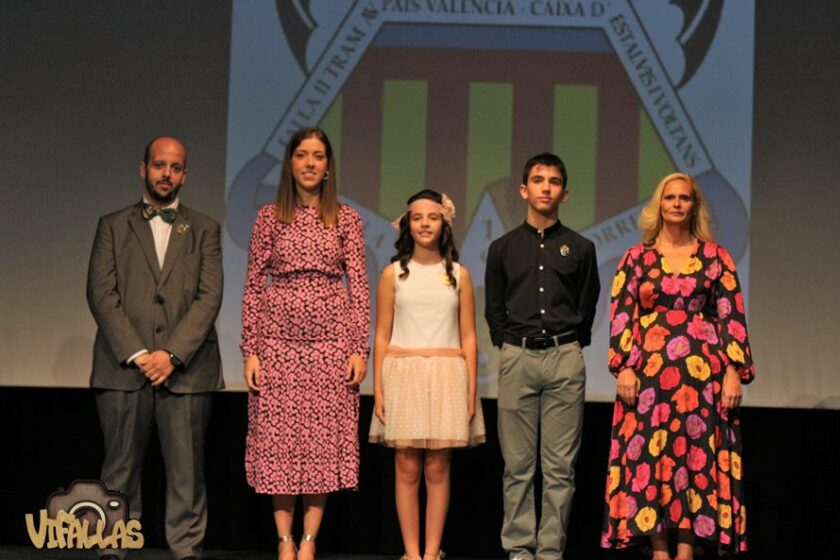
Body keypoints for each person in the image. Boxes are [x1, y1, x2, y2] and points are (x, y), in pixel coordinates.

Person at [600, 172, 755, 558]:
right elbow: (621, 313)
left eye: (684, 198)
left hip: (704, 380)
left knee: (695, 456)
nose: (677, 203)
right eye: (670, 197)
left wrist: (734, 371)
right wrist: (625, 366)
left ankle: (686, 547)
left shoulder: (716, 257)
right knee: (653, 456)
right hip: (650, 378)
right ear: (659, 204)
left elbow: (730, 314)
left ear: (694, 205)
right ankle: (658, 548)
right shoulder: (637, 258)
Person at [86, 136, 224, 560]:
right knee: (120, 468)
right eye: (160, 165)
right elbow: (100, 294)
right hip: (123, 368)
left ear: (185, 174)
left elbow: (209, 297)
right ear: (142, 168)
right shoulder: (112, 225)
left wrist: (171, 354)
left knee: (186, 473)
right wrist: (139, 354)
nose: (167, 173)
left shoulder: (204, 229)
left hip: (187, 370)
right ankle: (114, 548)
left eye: (176, 167)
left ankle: (186, 551)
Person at [240, 127, 370, 560]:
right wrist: (251, 350)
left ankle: (310, 541)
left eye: (318, 155)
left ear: (328, 165)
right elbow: (253, 285)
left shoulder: (347, 219)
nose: (310, 163)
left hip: (331, 347)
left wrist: (358, 349)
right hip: (277, 346)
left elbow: (361, 288)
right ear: (291, 163)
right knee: (278, 444)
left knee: (319, 444)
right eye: (302, 155)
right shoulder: (268, 217)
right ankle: (284, 540)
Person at [485, 152, 600, 560]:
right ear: (524, 189)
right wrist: (509, 344)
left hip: (564, 357)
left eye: (553, 181)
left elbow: (588, 303)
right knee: (517, 466)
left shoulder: (580, 247)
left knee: (559, 469)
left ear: (564, 193)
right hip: (517, 357)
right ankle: (519, 548)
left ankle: (550, 551)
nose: (545, 187)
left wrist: (570, 344)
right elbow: (493, 308)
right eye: (538, 180)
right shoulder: (501, 248)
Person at [368, 190, 486, 560]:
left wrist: (470, 389)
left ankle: (433, 552)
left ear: (444, 222)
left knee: (437, 467)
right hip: (403, 371)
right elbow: (382, 334)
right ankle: (411, 553)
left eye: (432, 217)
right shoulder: (392, 274)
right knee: (406, 467)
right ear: (407, 224)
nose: (424, 224)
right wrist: (380, 389)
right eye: (417, 217)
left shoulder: (459, 274)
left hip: (446, 372)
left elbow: (468, 334)